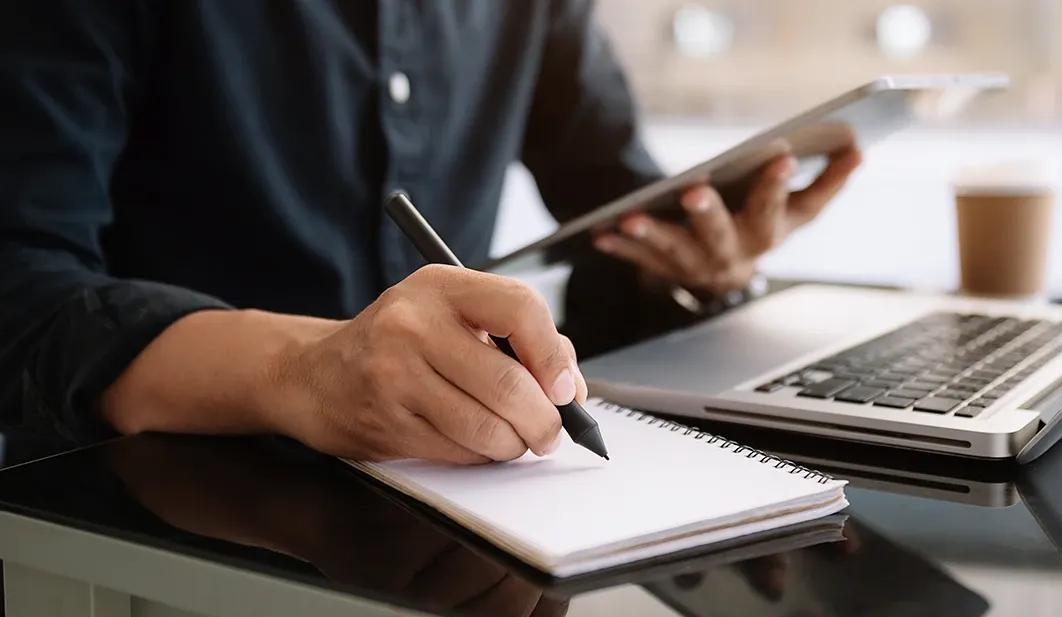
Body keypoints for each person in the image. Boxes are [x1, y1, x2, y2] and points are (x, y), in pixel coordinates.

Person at [0, 2, 860, 464]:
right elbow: (19, 285)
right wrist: (301, 370)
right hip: (157, 509)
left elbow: (611, 197)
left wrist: (706, 253)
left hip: (452, 508)